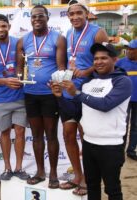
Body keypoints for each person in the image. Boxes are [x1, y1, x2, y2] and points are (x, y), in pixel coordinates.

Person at [52, 42, 132, 200]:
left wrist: (76, 93)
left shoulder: (122, 81)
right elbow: (76, 112)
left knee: (112, 190)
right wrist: (60, 98)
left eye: (104, 58)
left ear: (114, 60)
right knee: (92, 187)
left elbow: (105, 105)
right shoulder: (88, 83)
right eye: (95, 59)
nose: (98, 62)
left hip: (111, 146)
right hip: (88, 144)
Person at [58, 0, 108, 195]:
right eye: (71, 14)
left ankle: (88, 178)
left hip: (88, 92)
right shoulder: (68, 34)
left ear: (86, 14)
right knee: (68, 134)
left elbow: (108, 59)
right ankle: (77, 175)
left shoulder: (97, 32)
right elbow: (65, 63)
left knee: (86, 137)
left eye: (79, 13)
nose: (75, 17)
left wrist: (87, 71)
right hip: (68, 92)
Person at [16, 5, 67, 188]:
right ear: (30, 19)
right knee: (36, 135)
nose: (36, 19)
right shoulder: (23, 41)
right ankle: (40, 171)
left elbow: (61, 68)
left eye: (40, 16)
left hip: (49, 95)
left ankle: (53, 173)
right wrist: (19, 79)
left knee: (51, 135)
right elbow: (19, 67)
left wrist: (57, 82)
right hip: (30, 94)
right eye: (33, 16)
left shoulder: (58, 38)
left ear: (47, 17)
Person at [0, 14, 30, 181]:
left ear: (9, 27)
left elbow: (25, 66)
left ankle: (19, 168)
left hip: (19, 96)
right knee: (4, 133)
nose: (1, 29)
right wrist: (5, 81)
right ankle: (7, 168)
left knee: (20, 131)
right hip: (1, 98)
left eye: (3, 26)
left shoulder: (19, 43)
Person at [116, 39, 137, 161]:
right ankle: (120, 150)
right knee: (123, 124)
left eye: (132, 49)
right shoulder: (120, 63)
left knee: (135, 126)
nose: (129, 51)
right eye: (128, 48)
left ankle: (131, 150)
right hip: (124, 99)